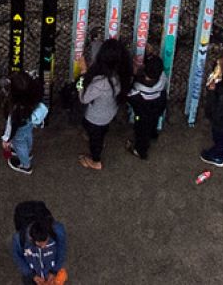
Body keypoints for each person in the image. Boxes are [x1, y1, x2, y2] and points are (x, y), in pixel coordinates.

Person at [78, 38, 132, 170]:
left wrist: (83, 74)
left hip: (96, 118)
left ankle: (95, 161)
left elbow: (83, 98)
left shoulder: (101, 83)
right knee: (100, 132)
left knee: (95, 139)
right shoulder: (121, 75)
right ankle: (97, 140)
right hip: (109, 112)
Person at [10, 202, 67, 285]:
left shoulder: (57, 230)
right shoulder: (19, 238)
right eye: (40, 245)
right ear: (31, 238)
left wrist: (54, 271)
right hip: (32, 274)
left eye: (46, 242)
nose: (44, 246)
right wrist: (31, 275)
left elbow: (62, 249)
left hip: (50, 269)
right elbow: (17, 256)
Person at [1, 71, 44, 174]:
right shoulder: (31, 97)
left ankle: (25, 165)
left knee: (19, 144)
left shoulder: (15, 109)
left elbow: (11, 127)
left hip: (19, 129)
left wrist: (6, 139)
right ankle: (28, 152)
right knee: (28, 137)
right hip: (28, 122)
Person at [126, 55, 166, 161]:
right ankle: (153, 134)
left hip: (142, 115)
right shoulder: (162, 77)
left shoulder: (138, 88)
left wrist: (134, 75)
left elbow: (129, 96)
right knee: (154, 121)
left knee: (141, 131)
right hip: (158, 105)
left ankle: (140, 151)